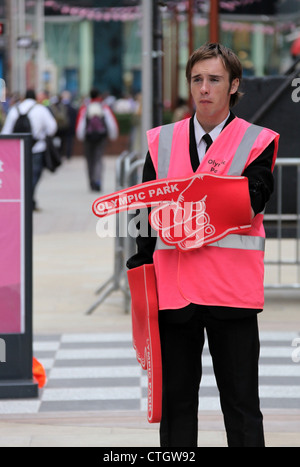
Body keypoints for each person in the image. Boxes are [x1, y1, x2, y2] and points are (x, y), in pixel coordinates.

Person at [127, 43, 279, 447]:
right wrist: (143, 281)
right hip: (175, 293)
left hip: (232, 293)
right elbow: (143, 214)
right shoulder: (161, 142)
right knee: (176, 408)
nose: (204, 88)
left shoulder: (255, 142)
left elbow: (255, 198)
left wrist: (196, 203)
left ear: (234, 86)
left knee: (242, 406)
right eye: (197, 79)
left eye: (214, 79)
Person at [1, 89, 58, 211]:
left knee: (20, 175)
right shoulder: (41, 109)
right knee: (34, 175)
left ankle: (24, 199)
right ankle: (28, 200)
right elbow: (52, 128)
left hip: (18, 149)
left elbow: (6, 131)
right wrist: (43, 135)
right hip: (37, 147)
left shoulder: (14, 110)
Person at [76, 88, 119, 192]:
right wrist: (113, 136)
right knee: (98, 159)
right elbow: (110, 122)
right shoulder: (103, 107)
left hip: (88, 138)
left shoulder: (85, 107)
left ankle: (91, 181)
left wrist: (80, 136)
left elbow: (80, 124)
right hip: (101, 137)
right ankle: (98, 180)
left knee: (89, 161)